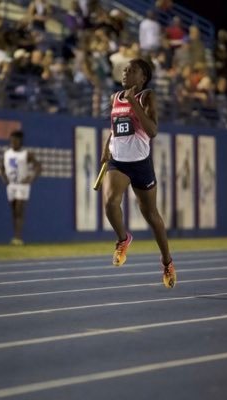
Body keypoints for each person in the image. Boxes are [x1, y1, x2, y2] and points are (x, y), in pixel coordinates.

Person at [100, 58, 177, 288]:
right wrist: (106, 148)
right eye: (125, 69)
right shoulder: (115, 97)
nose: (125, 72)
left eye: (132, 70)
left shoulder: (146, 96)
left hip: (141, 163)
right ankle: (123, 240)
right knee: (110, 203)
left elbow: (152, 131)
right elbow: (115, 127)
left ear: (142, 77)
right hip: (118, 162)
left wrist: (134, 102)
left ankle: (167, 262)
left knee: (152, 217)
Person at [0, 130, 41, 245]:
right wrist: (4, 179)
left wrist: (30, 178)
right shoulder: (7, 153)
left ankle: (18, 237)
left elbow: (38, 167)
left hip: (22, 185)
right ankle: (15, 236)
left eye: (15, 140)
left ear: (20, 141)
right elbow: (1, 168)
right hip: (11, 185)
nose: (13, 142)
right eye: (11, 139)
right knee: (14, 211)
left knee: (19, 209)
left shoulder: (26, 154)